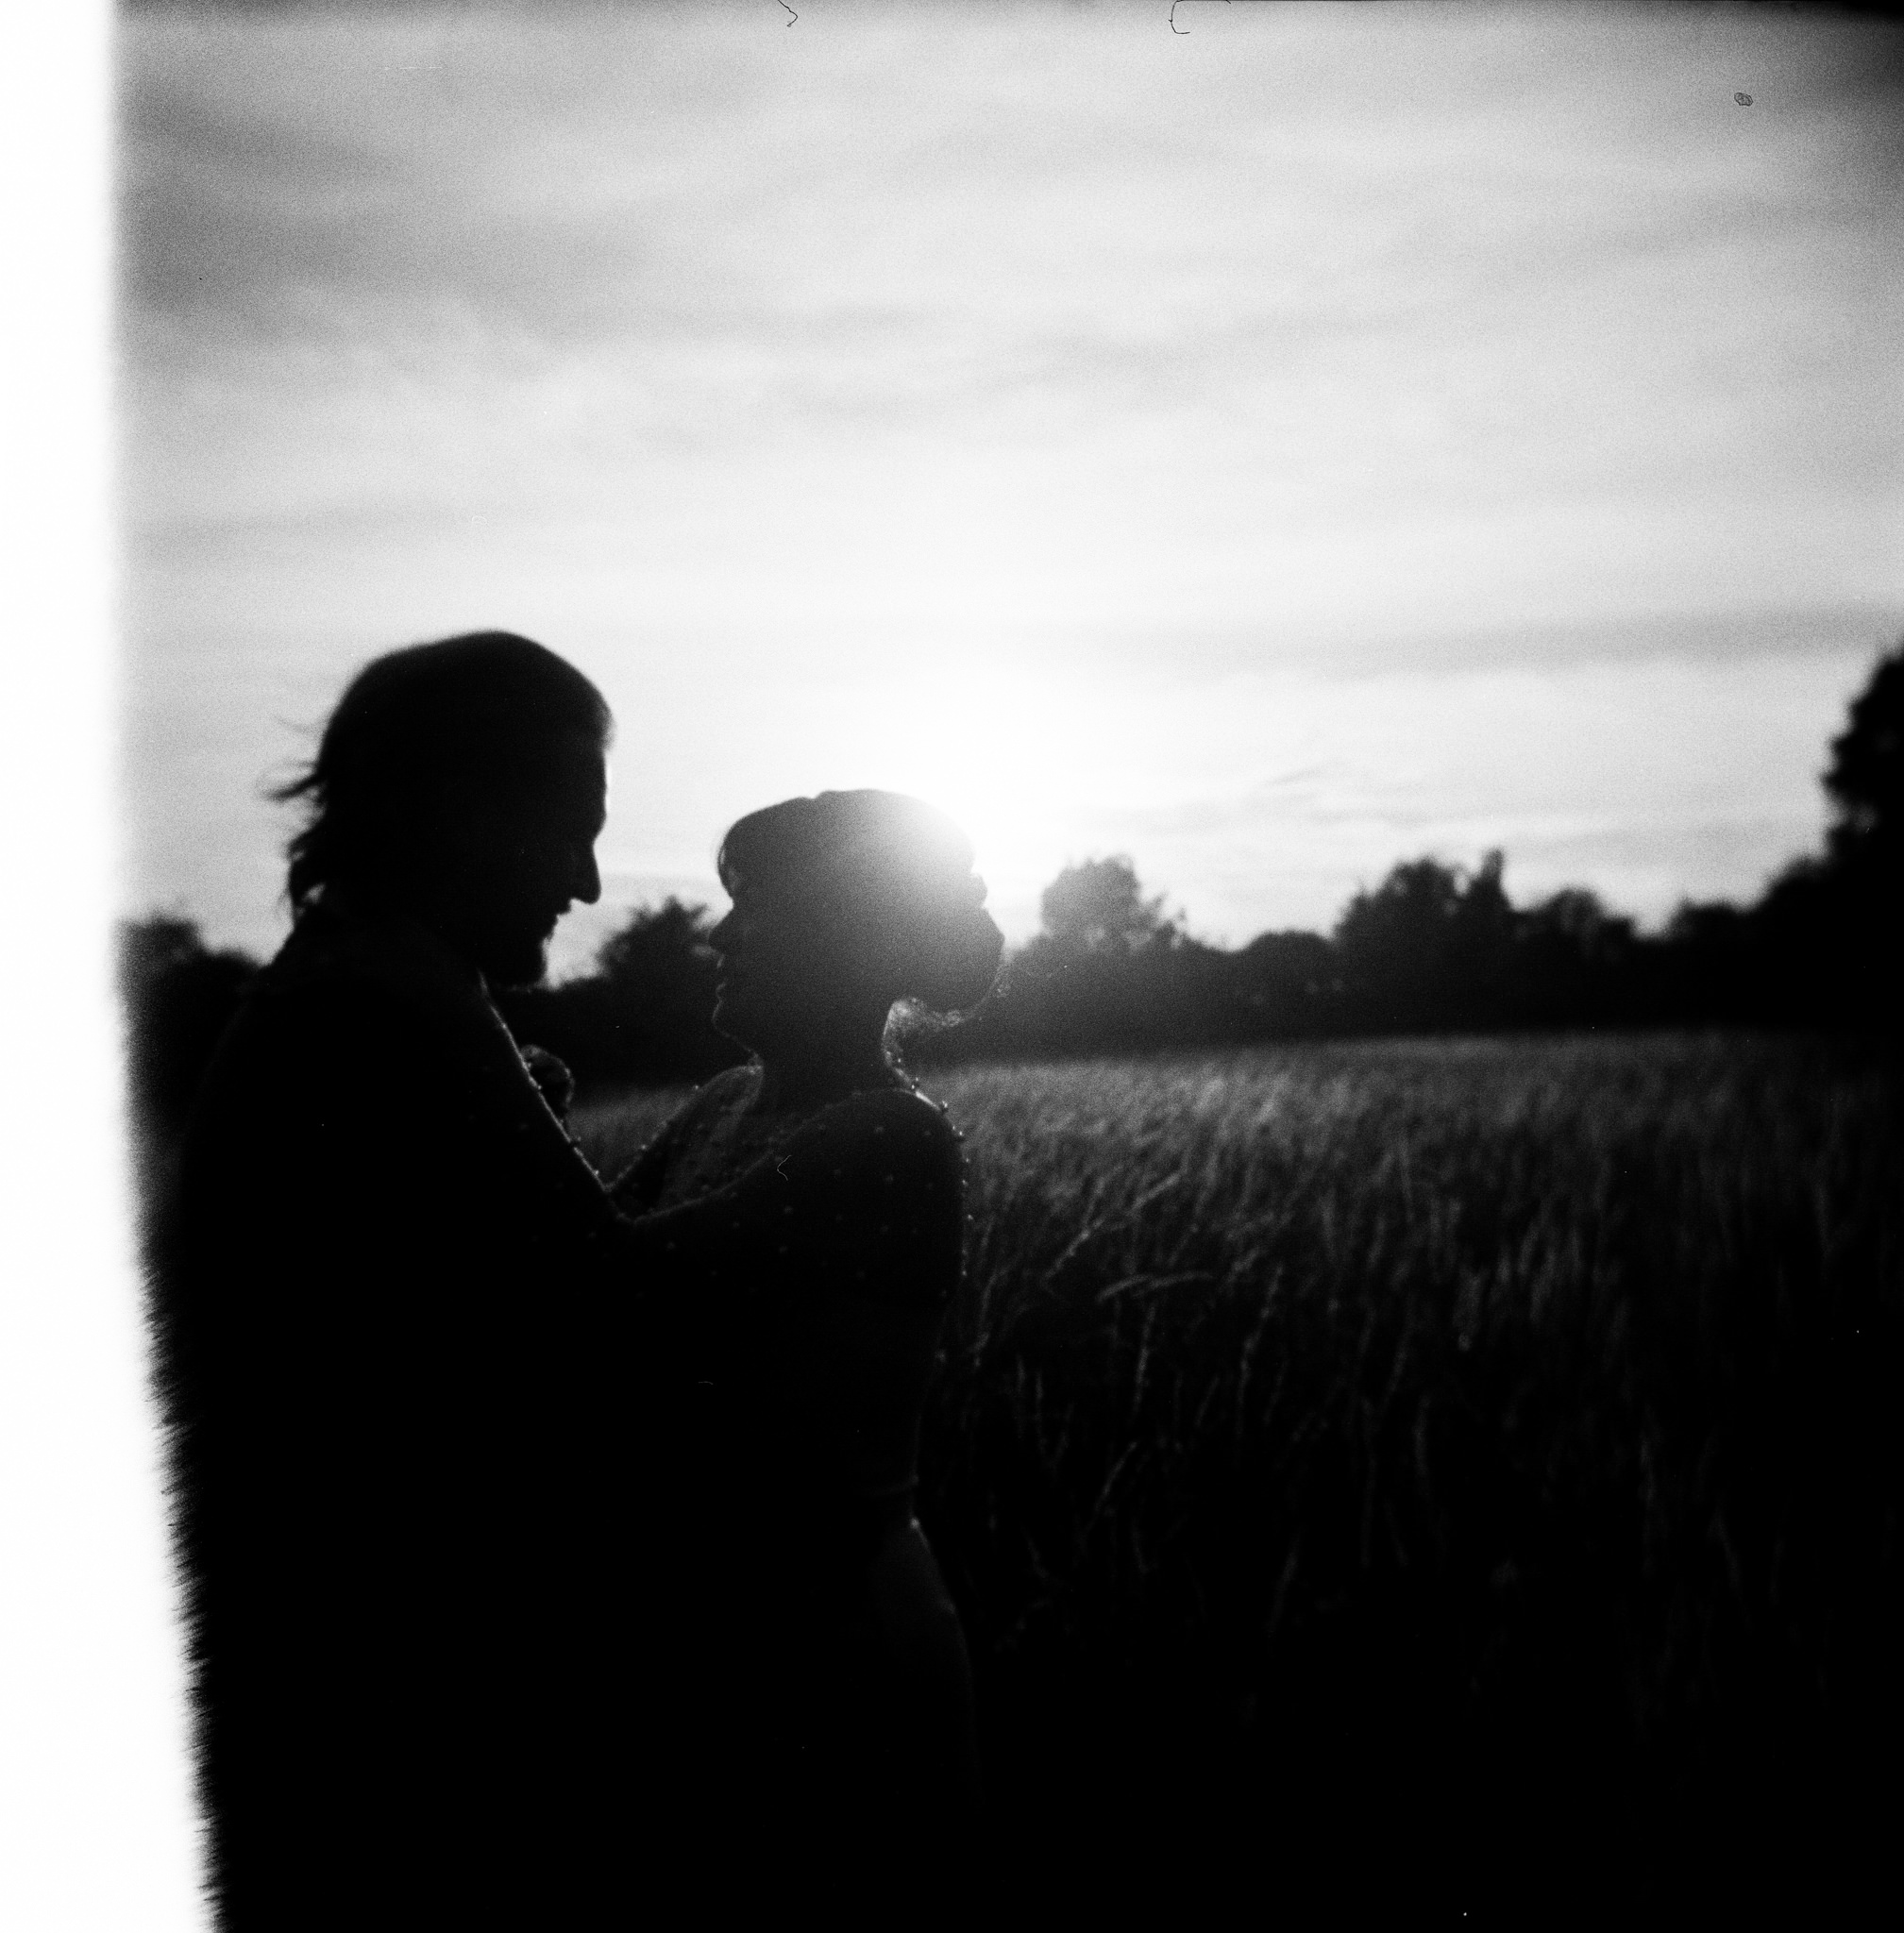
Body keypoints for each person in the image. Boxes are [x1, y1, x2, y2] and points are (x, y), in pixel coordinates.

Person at [154, 631, 735, 1927]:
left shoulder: (354, 975)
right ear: (467, 807)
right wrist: (821, 1167)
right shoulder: (392, 996)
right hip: (365, 1678)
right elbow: (614, 1299)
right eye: (571, 829)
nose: (588, 883)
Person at [608, 789, 1003, 1899]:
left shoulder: (889, 1133)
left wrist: (482, 1090)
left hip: (831, 1625)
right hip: (718, 1615)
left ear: (844, 934)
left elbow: (610, 1275)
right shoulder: (723, 1102)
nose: (721, 934)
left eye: (756, 907)